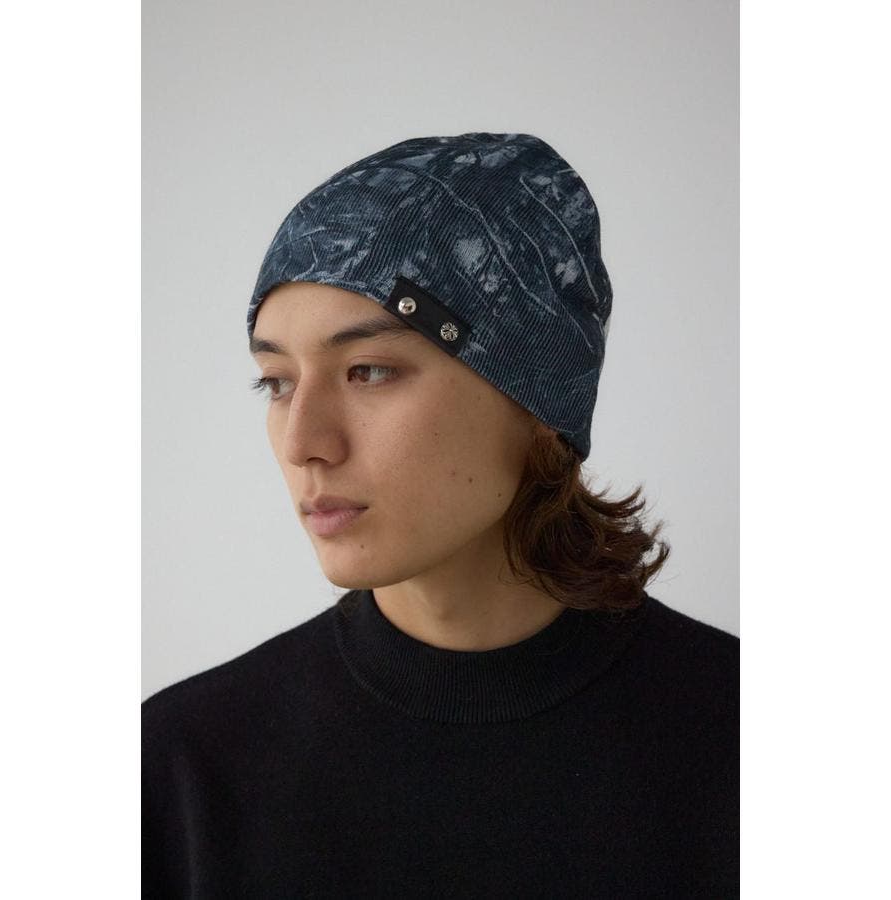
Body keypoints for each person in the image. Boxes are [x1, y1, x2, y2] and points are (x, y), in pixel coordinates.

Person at [142, 132, 739, 898]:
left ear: (535, 398)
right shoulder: (183, 769)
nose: (303, 443)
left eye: (369, 370)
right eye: (278, 382)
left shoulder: (741, 740)